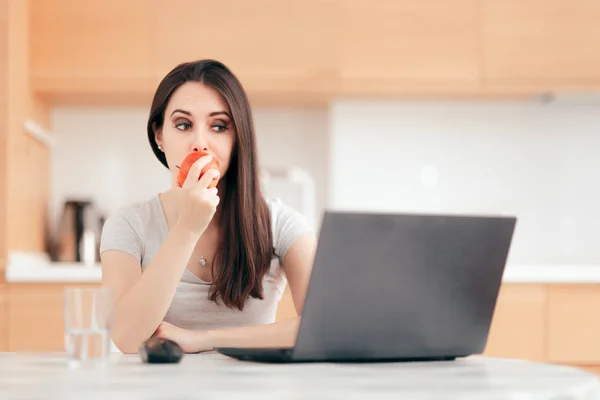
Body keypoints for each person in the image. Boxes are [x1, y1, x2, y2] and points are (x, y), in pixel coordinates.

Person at [99, 59, 317, 354]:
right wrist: (187, 228)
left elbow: (323, 327)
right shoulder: (128, 225)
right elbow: (125, 338)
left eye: (218, 126)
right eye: (183, 125)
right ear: (159, 136)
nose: (200, 143)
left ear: (237, 138)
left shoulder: (282, 224)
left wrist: (205, 339)